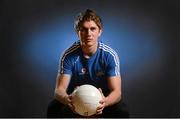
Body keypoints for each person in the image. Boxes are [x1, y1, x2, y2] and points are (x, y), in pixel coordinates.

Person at [47, 9, 129, 118]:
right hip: (76, 96)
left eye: (93, 29)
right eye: (84, 29)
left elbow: (117, 92)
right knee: (53, 108)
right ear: (78, 32)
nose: (88, 34)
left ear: (100, 31)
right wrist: (68, 100)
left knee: (122, 111)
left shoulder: (109, 55)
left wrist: (105, 102)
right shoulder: (68, 56)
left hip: (102, 96)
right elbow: (59, 90)